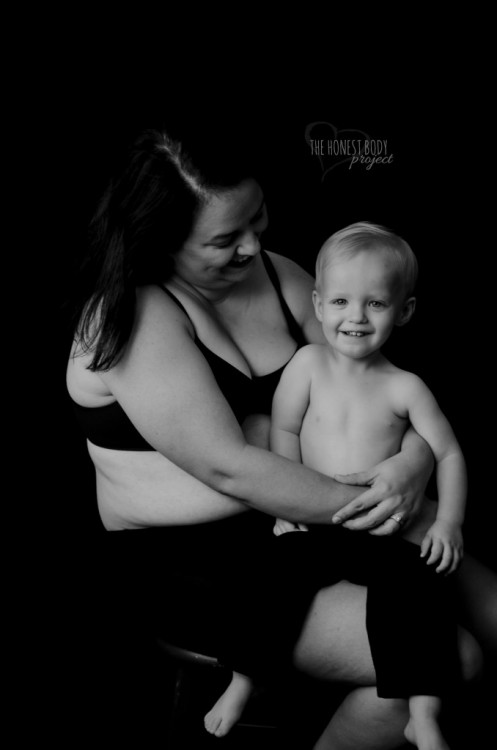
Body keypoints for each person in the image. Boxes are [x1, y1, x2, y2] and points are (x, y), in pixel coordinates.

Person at [67, 124, 496, 749]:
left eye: (257, 219)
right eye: (224, 239)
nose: (252, 246)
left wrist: (413, 464)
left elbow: (375, 393)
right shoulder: (132, 317)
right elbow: (231, 467)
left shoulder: (280, 277)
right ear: (161, 238)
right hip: (195, 559)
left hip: (315, 517)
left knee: (484, 592)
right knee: (447, 660)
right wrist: (388, 507)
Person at [204, 222, 465, 749]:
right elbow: (285, 428)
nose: (355, 317)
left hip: (380, 531)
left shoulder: (405, 387)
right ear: (319, 305)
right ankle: (242, 683)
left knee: (424, 593)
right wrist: (284, 499)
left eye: (375, 304)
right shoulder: (307, 365)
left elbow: (450, 452)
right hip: (314, 523)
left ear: (404, 312)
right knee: (270, 581)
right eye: (342, 301)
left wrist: (449, 521)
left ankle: (422, 712)